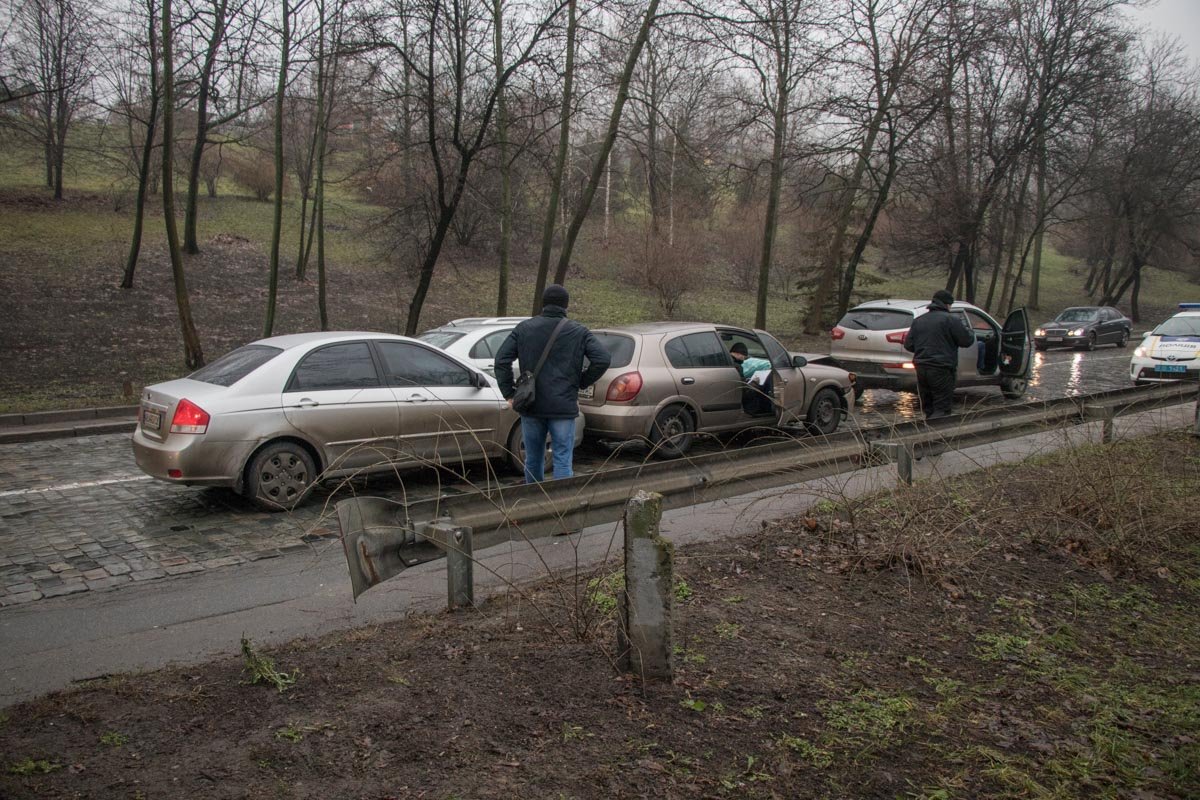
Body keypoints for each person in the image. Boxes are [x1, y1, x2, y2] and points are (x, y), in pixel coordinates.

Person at [494, 284, 611, 483]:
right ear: (566, 305)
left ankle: (535, 506)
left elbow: (501, 360)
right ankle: (561, 509)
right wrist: (581, 382)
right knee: (563, 461)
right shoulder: (578, 331)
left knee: (532, 460)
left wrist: (509, 393)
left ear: (543, 304)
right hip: (563, 406)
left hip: (531, 404)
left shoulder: (524, 328)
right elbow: (602, 359)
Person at [904, 289, 975, 419]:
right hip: (941, 368)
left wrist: (924, 350)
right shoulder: (951, 320)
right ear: (948, 305)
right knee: (941, 406)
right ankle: (937, 435)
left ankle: (926, 431)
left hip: (921, 367)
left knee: (928, 405)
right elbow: (966, 341)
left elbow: (908, 345)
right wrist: (970, 331)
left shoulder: (919, 320)